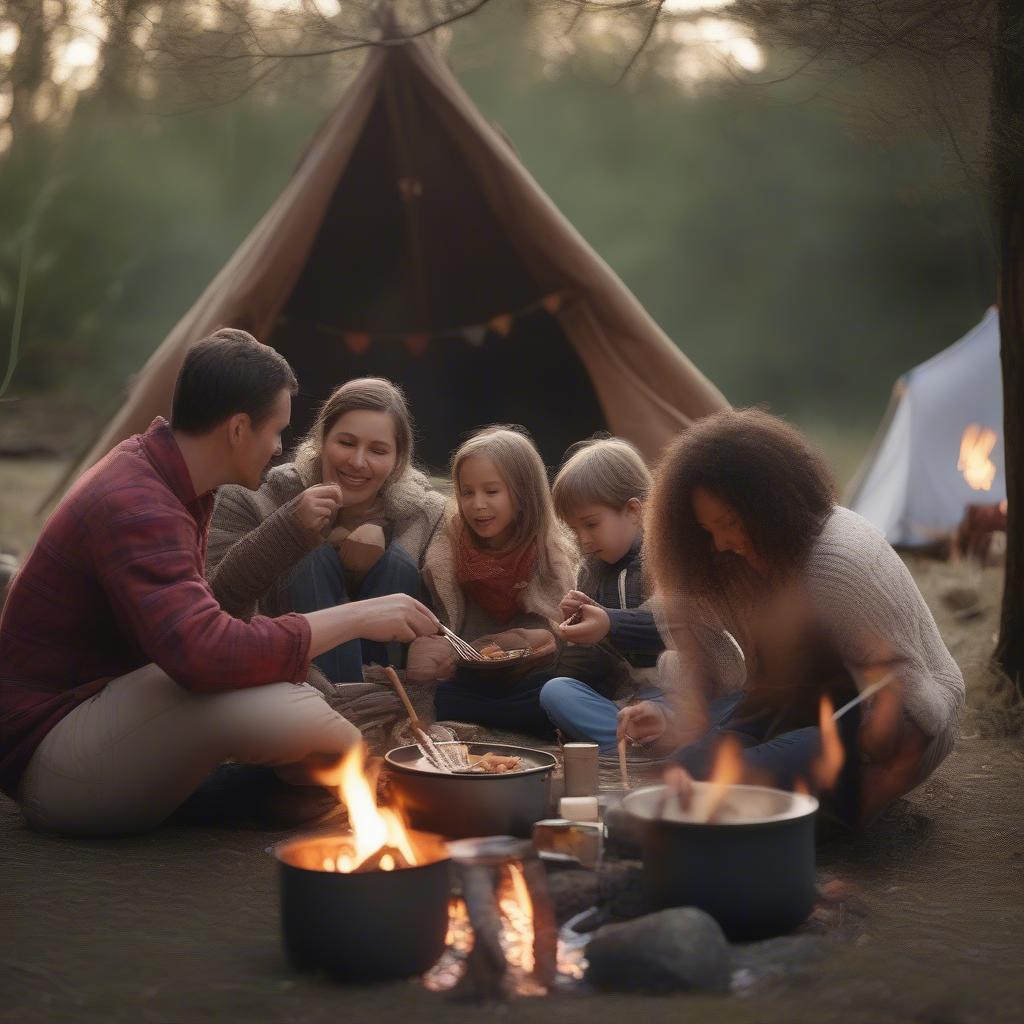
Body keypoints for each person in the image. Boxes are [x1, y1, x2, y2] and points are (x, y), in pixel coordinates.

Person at [0, 330, 438, 836]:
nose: (278, 448)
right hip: (52, 766)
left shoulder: (170, 480)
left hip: (101, 715)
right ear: (237, 429)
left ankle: (245, 797)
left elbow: (211, 618)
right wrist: (358, 617)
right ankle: (259, 795)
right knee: (321, 734)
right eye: (276, 431)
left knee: (292, 703)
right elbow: (205, 652)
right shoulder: (138, 504)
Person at [645, 408, 965, 826]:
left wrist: (870, 796)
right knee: (682, 774)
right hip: (787, 714)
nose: (720, 543)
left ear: (770, 506)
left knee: (733, 787)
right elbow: (723, 672)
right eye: (708, 531)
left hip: (879, 731)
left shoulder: (835, 565)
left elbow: (913, 705)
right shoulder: (737, 563)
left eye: (729, 523)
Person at [207, 377, 445, 683]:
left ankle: (376, 698)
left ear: (398, 460)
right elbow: (211, 603)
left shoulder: (424, 514)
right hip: (289, 670)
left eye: (378, 450)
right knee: (310, 557)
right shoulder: (259, 495)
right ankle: (341, 696)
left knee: (398, 561)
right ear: (321, 441)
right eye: (346, 443)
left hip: (392, 679)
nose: (358, 462)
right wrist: (289, 528)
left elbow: (452, 616)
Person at [413, 426, 577, 736]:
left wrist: (530, 643)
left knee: (549, 697)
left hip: (529, 676)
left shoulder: (550, 553)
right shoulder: (448, 549)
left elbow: (563, 634)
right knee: (445, 698)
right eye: (467, 492)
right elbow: (440, 623)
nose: (478, 504)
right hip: (470, 674)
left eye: (491, 491)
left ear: (522, 493)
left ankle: (501, 722)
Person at [537, 437, 667, 753]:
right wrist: (573, 632)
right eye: (573, 529)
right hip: (632, 697)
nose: (583, 539)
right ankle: (632, 745)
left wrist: (609, 621)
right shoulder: (591, 571)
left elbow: (670, 626)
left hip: (683, 693)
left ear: (634, 511)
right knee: (555, 692)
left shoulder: (665, 560)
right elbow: (594, 664)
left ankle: (646, 741)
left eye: (591, 524)